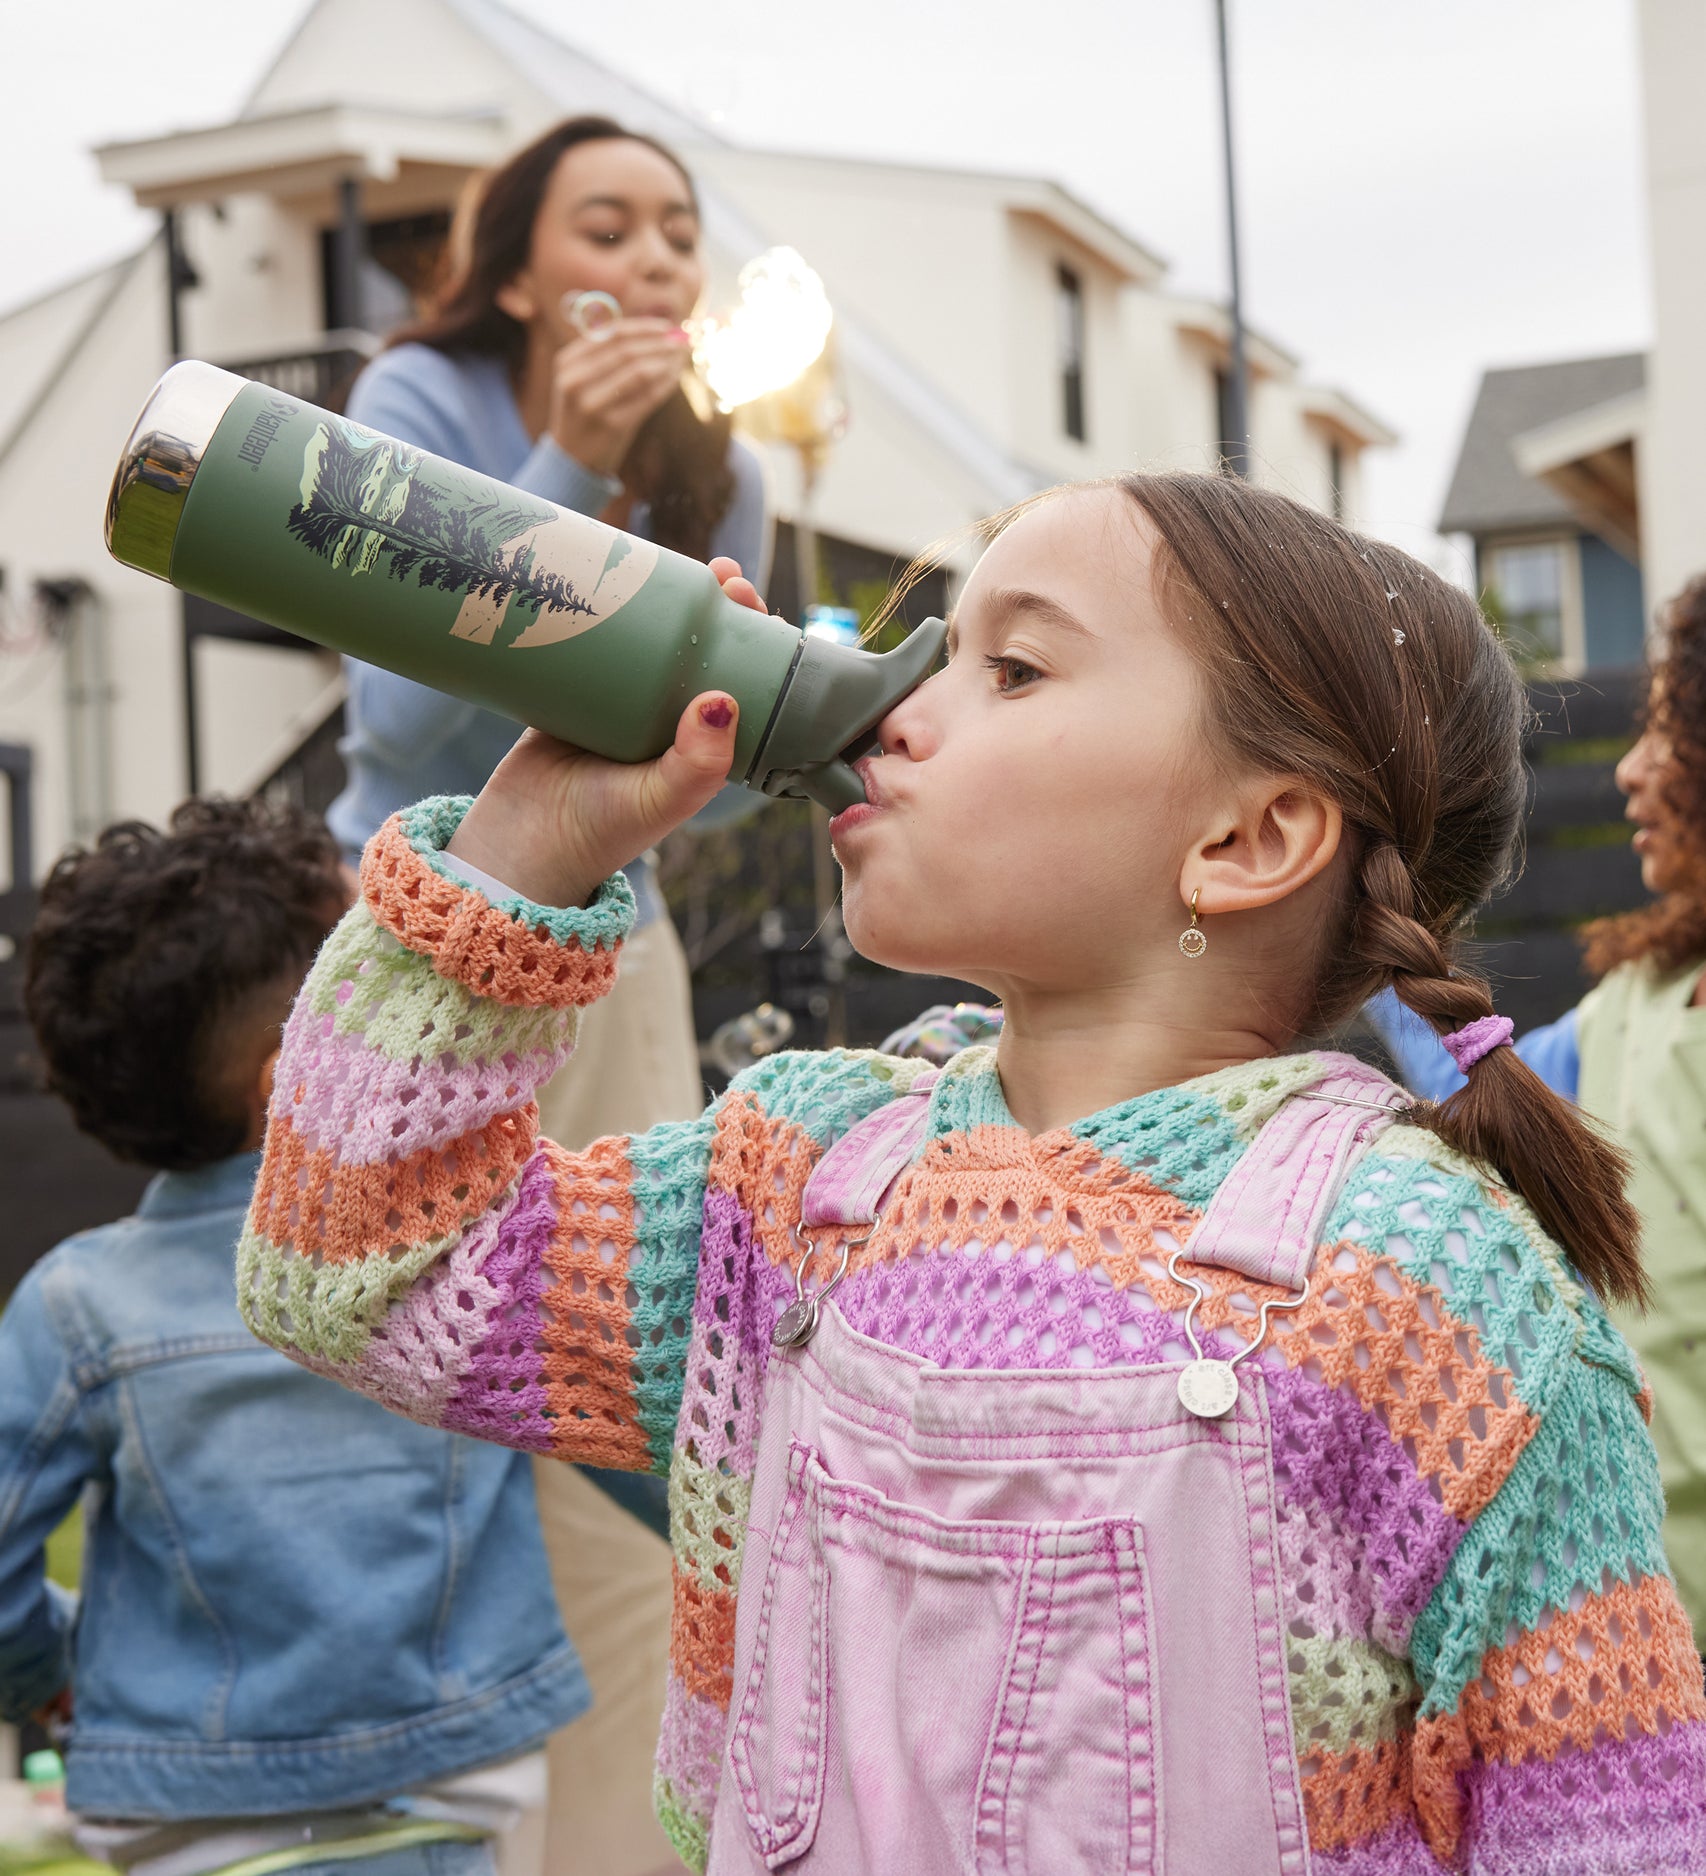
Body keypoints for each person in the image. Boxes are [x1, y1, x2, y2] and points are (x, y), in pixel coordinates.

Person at [241, 478, 1706, 1874]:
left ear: (1246, 837)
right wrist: (526, 850)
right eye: (932, 650)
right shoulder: (789, 1188)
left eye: (1010, 669)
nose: (896, 704)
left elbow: (1604, 1826)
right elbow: (364, 1268)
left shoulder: (1436, 1300)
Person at [323, 114, 771, 1876]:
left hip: (613, 945)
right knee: (391, 1393)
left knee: (608, 1397)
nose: (658, 259)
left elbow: (716, 769)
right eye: (611, 226)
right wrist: (559, 476)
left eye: (679, 230)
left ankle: (621, 1844)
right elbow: (402, 733)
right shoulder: (416, 413)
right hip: (419, 935)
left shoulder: (714, 462)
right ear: (515, 268)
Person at [2, 799, 584, 1876]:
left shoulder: (75, 1305)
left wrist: (52, 1663)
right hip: (445, 1805)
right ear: (293, 1074)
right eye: (379, 976)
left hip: (195, 1826)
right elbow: (652, 1430)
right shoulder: (467, 1247)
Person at [1372, 572, 1706, 1655]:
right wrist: (1362, 919)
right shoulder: (1643, 1002)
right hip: (1632, 1656)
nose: (1626, 768)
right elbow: (1480, 1084)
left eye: (1665, 733)